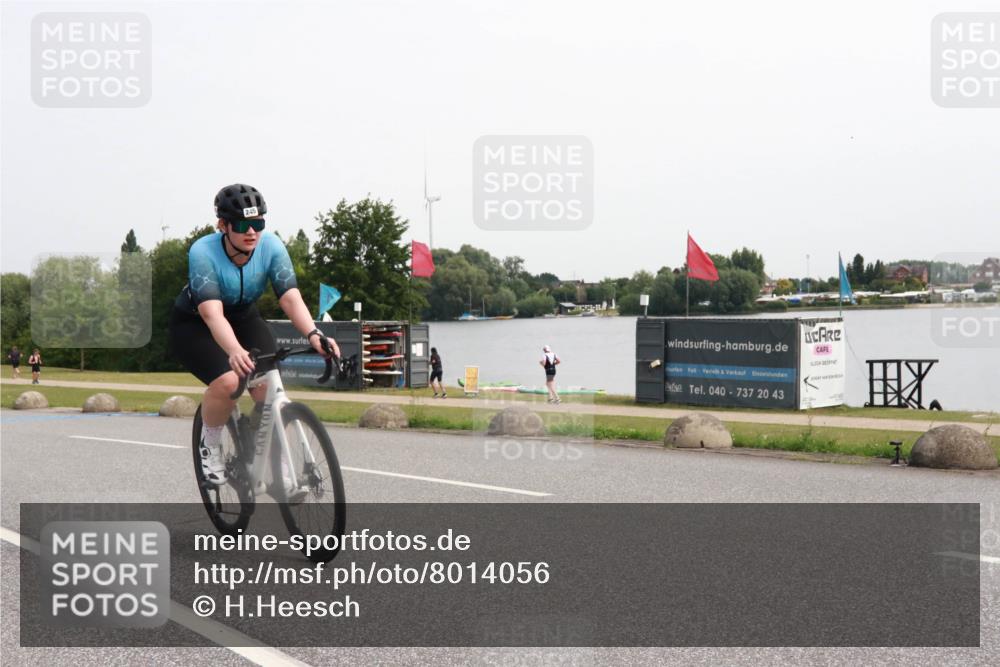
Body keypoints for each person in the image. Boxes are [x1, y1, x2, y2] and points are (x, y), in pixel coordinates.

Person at [168, 183, 340, 485]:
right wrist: (234, 350)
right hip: (196, 323)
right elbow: (212, 313)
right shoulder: (202, 252)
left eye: (258, 223)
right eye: (244, 224)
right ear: (223, 225)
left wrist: (314, 334)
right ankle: (210, 445)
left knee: (268, 389)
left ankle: (274, 459)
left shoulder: (271, 246)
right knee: (230, 381)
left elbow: (289, 297)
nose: (252, 232)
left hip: (245, 317)